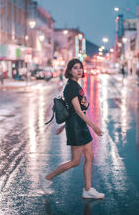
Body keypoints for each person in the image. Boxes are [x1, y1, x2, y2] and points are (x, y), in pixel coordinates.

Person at [40, 58, 105, 199]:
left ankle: (88, 189)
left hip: (77, 125)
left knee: (89, 156)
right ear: (70, 71)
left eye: (80, 67)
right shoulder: (71, 87)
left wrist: (63, 126)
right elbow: (78, 111)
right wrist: (94, 127)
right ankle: (47, 178)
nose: (79, 70)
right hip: (76, 127)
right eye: (75, 68)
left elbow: (72, 110)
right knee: (75, 161)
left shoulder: (75, 84)